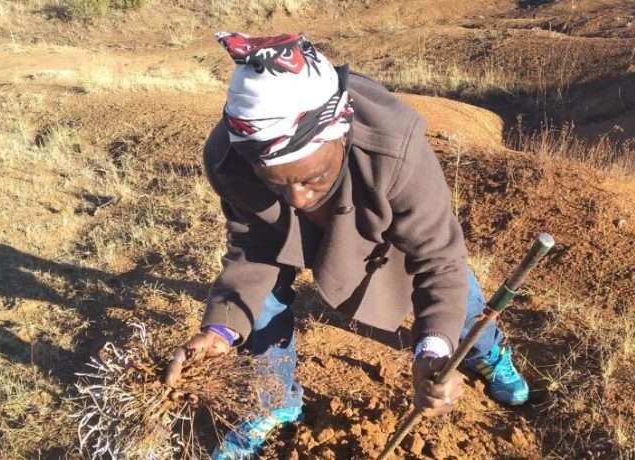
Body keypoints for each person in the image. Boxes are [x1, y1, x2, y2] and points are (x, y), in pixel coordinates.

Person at [164, 32, 530, 459]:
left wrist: (434, 348)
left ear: (340, 137)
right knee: (261, 301)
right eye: (276, 182)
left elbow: (438, 259)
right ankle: (274, 400)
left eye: (311, 178)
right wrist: (220, 329)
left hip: (377, 231)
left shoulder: (395, 146)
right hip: (293, 238)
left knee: (457, 304)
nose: (297, 199)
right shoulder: (232, 160)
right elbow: (254, 250)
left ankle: (486, 353)